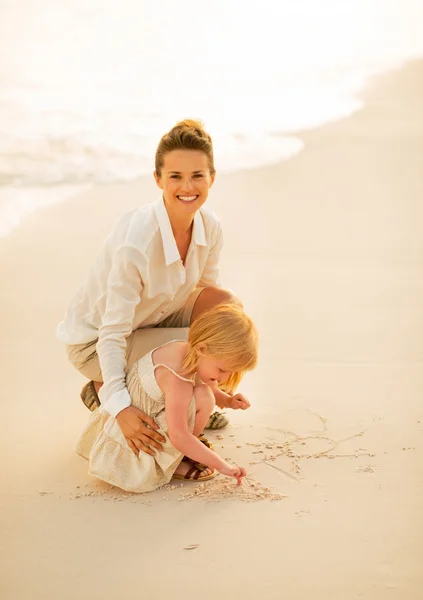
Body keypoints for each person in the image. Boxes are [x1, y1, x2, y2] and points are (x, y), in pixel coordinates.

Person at [57, 119, 241, 457]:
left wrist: (211, 380)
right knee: (188, 349)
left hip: (151, 323)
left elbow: (208, 298)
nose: (187, 186)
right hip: (95, 344)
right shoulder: (138, 243)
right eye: (175, 176)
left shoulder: (209, 226)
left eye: (197, 175)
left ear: (211, 177)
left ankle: (194, 396)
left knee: (226, 314)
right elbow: (111, 333)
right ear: (158, 179)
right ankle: (106, 390)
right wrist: (121, 408)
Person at [76, 303, 258, 492]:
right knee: (204, 397)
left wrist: (227, 400)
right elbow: (179, 435)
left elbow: (202, 381)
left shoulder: (182, 349)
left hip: (144, 414)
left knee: (205, 393)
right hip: (141, 439)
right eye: (222, 370)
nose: (224, 379)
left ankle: (188, 451)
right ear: (203, 349)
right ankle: (174, 461)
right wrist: (223, 466)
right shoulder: (176, 378)